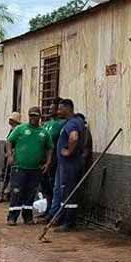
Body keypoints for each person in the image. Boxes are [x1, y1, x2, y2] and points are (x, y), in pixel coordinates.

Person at [5, 107, 53, 225]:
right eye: (31, 115)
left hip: (35, 169)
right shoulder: (20, 129)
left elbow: (50, 148)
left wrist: (47, 163)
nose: (33, 118)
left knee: (30, 193)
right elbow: (9, 141)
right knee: (17, 192)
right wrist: (10, 155)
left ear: (40, 117)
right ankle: (12, 217)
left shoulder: (44, 132)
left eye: (35, 115)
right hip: (19, 167)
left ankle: (27, 217)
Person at [50, 99, 88, 231]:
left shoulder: (72, 123)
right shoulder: (74, 122)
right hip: (68, 164)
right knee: (66, 192)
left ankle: (68, 222)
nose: (58, 112)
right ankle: (63, 219)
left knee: (68, 193)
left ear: (68, 108)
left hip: (70, 164)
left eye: (60, 109)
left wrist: (69, 151)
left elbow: (74, 137)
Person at [38, 99, 65, 215]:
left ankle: (54, 211)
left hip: (54, 161)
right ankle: (48, 208)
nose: (50, 110)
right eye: (49, 108)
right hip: (43, 160)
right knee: (45, 187)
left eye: (52, 108)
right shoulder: (46, 124)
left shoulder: (62, 124)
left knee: (54, 185)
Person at [0, 112, 22, 201]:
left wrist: (11, 153)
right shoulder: (12, 129)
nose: (9, 121)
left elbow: (17, 144)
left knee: (10, 173)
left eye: (11, 119)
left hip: (13, 156)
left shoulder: (18, 130)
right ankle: (1, 192)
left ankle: (6, 193)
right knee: (4, 173)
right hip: (7, 155)